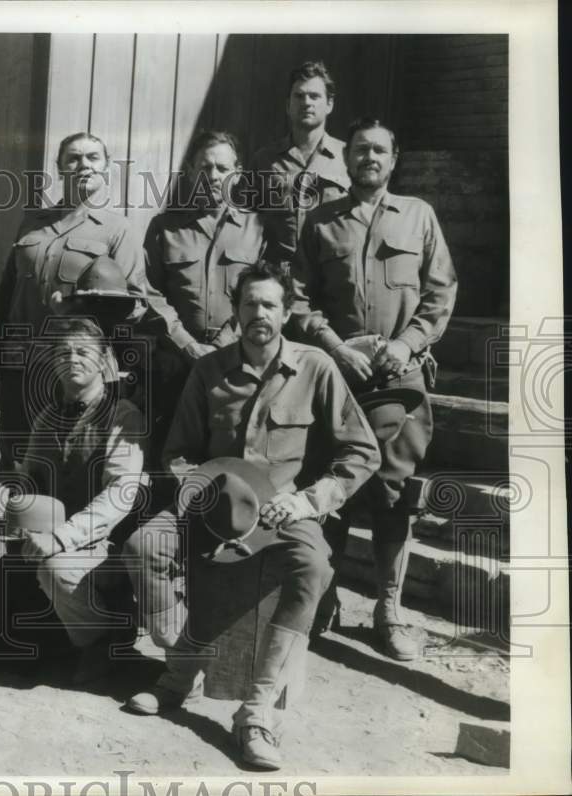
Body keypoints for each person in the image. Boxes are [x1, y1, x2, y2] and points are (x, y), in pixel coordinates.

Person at [122, 260, 380, 769]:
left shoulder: (315, 368)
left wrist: (310, 500)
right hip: (213, 503)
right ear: (236, 312)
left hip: (285, 511)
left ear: (285, 313)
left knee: (314, 568)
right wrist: (208, 492)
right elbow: (175, 453)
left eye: (269, 304)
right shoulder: (208, 370)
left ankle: (257, 710)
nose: (258, 312)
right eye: (249, 304)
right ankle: (182, 671)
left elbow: (361, 452)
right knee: (143, 547)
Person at [292, 117, 458, 660]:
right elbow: (298, 299)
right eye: (360, 149)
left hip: (399, 379)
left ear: (393, 159)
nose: (368, 157)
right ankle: (323, 597)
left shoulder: (419, 217)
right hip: (337, 378)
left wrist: (407, 344)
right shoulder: (320, 222)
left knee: (392, 494)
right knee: (330, 485)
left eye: (379, 150)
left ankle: (389, 610)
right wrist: (335, 347)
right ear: (346, 159)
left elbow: (440, 292)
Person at [0, 132, 202, 477]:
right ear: (59, 168)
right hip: (23, 368)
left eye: (92, 158)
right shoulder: (32, 224)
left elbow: (138, 303)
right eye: (73, 158)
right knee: (20, 471)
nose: (83, 165)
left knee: (72, 467)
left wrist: (82, 310)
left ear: (106, 169)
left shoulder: (117, 230)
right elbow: (6, 299)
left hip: (79, 371)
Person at [17, 317, 146, 684]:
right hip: (51, 537)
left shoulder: (122, 416)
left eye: (83, 352)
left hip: (105, 545)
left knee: (55, 570)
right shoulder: (46, 417)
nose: (72, 359)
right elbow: (28, 480)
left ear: (104, 360)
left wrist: (59, 539)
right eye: (63, 352)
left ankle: (105, 639)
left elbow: (119, 497)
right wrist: (17, 505)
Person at [144, 130, 269, 463]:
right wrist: (186, 344)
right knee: (170, 457)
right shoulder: (165, 228)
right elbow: (148, 292)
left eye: (222, 168)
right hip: (176, 365)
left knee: (229, 455)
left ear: (237, 174)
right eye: (205, 167)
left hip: (238, 364)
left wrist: (222, 346)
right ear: (190, 171)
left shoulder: (258, 229)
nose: (213, 176)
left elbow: (264, 295)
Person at [249, 60, 349, 258]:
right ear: (288, 105)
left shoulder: (347, 157)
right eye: (299, 96)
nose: (306, 102)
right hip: (279, 276)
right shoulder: (264, 160)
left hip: (331, 274)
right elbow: (245, 225)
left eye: (314, 96)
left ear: (329, 104)